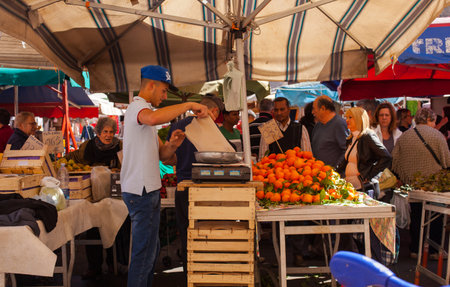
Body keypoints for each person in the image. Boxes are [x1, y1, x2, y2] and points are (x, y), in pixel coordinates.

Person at [120, 65, 209, 287]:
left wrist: (172, 145)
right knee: (144, 254)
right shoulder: (138, 109)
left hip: (148, 190)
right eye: (163, 90)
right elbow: (151, 119)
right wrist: (188, 105)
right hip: (140, 192)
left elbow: (163, 155)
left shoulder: (146, 115)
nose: (165, 95)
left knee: (151, 251)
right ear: (151, 85)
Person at [167, 94, 224, 286]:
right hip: (206, 188)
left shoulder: (176, 126)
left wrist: (183, 160)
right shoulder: (210, 127)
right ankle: (209, 279)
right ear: (212, 112)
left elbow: (168, 157)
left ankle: (190, 279)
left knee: (187, 236)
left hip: (183, 187)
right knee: (208, 234)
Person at [392, 108, 450, 259]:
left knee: (417, 216)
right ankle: (434, 251)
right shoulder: (437, 135)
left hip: (412, 184)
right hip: (434, 184)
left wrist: (405, 177)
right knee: (436, 216)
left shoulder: (404, 137)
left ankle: (415, 249)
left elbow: (395, 162)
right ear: (430, 120)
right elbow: (446, 161)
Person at [337, 107, 392, 198]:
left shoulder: (368, 136)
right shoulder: (351, 138)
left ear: (359, 119)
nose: (347, 120)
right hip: (352, 187)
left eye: (351, 117)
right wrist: (333, 173)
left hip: (364, 188)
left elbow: (386, 157)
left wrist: (369, 175)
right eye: (346, 117)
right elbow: (347, 161)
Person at [311, 95, 348, 168]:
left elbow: (346, 151)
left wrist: (335, 169)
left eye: (314, 109)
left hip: (333, 175)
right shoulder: (318, 126)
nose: (312, 112)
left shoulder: (339, 124)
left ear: (323, 109)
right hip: (320, 174)